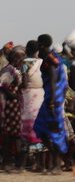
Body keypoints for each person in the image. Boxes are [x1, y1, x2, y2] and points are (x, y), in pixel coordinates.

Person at [33, 34, 69, 174]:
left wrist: (53, 102)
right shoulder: (51, 58)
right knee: (40, 128)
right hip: (50, 97)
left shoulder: (50, 59)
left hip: (53, 98)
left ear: (41, 44)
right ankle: (56, 163)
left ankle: (57, 165)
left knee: (53, 131)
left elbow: (53, 80)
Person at [0, 49, 25, 172]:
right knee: (10, 133)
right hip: (11, 105)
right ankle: (7, 161)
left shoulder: (15, 70)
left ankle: (11, 161)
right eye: (20, 58)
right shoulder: (9, 70)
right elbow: (1, 85)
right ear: (14, 58)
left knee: (14, 133)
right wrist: (13, 96)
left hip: (15, 104)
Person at [20, 41, 45, 167]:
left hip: (29, 96)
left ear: (27, 49)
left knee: (27, 127)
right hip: (41, 95)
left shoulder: (25, 63)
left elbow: (24, 82)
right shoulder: (43, 61)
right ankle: (41, 163)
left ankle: (25, 163)